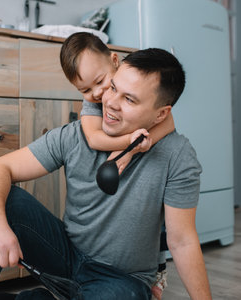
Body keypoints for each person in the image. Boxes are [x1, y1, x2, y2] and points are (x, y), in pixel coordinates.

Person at [0, 48, 212, 300]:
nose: (111, 103)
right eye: (114, 88)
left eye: (129, 99)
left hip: (120, 280)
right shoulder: (76, 135)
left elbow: (182, 241)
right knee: (5, 202)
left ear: (161, 115)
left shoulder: (177, 155)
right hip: (67, 256)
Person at [60, 32, 173, 299]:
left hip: (144, 172)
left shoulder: (139, 84)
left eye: (100, 82)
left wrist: (138, 148)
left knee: (156, 224)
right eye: (85, 90)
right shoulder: (91, 106)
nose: (97, 94)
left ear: (114, 60)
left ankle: (156, 275)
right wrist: (127, 145)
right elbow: (94, 138)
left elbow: (168, 123)